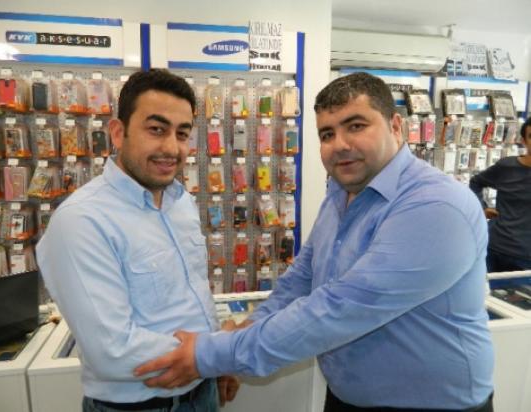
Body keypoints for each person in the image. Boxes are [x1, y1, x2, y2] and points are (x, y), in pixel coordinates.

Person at [134, 72, 495, 412]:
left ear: (396, 126)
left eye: (356, 126)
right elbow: (302, 280)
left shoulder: (436, 206)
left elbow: (342, 308)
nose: (340, 145)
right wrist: (244, 334)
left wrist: (212, 354)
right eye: (327, 134)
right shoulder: (342, 193)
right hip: (346, 399)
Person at [36, 69, 238, 412]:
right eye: (156, 129)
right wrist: (217, 353)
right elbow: (111, 349)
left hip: (202, 392)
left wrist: (216, 362)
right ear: (118, 133)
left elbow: (193, 297)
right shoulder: (82, 220)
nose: (171, 148)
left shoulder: (180, 203)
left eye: (182, 133)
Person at [469, 117, 531, 272]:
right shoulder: (506, 167)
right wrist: (482, 208)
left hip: (525, 258)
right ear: (523, 141)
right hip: (493, 248)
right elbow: (476, 182)